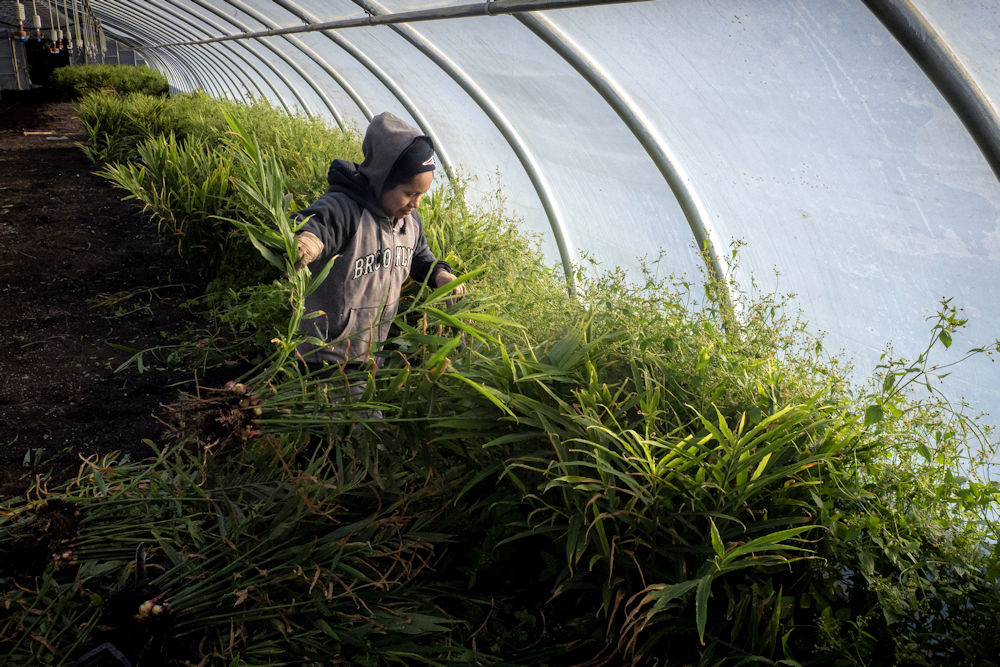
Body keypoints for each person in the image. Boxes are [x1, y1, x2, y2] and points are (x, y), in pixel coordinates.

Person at [292, 111, 465, 378]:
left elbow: (419, 257)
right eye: (409, 193)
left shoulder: (409, 220)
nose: (416, 203)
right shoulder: (346, 209)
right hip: (324, 354)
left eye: (421, 195)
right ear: (383, 180)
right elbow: (316, 224)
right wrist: (308, 241)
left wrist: (440, 274)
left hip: (369, 354)